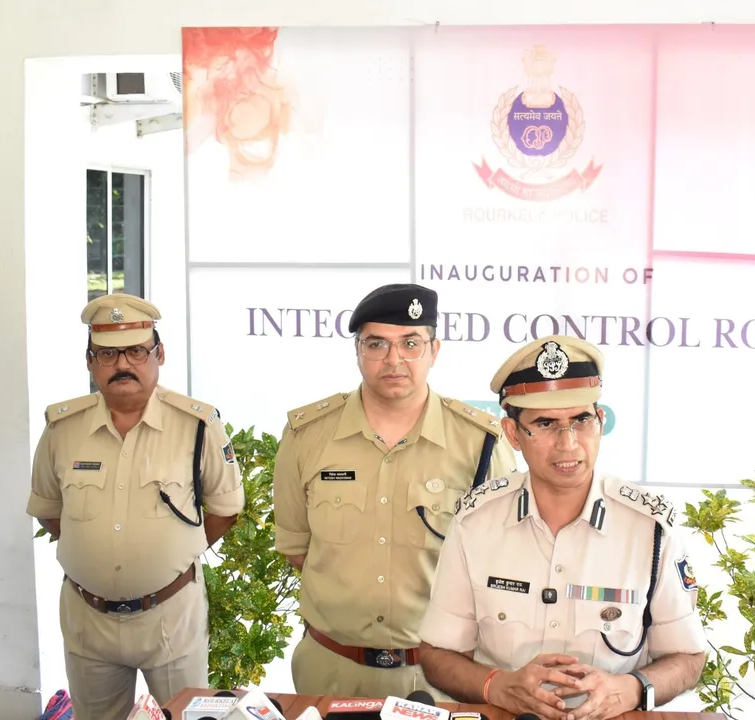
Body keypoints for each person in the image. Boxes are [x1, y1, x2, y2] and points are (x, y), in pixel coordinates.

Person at [417, 336, 707, 720]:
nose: (568, 443)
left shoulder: (650, 528)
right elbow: (437, 654)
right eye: (546, 424)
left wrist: (629, 689)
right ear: (513, 433)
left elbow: (688, 657)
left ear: (600, 422)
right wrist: (498, 685)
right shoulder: (475, 523)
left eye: (581, 421)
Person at [273, 282, 517, 699]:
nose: (393, 360)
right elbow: (298, 549)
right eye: (376, 344)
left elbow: (500, 565)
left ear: (434, 351)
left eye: (410, 343)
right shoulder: (306, 435)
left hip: (437, 677)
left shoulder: (482, 443)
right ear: (357, 350)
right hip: (330, 669)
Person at [26, 294, 244, 720]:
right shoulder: (62, 428)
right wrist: (98, 554)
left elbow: (225, 509)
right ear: (90, 361)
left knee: (184, 716)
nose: (121, 364)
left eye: (136, 351)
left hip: (171, 615)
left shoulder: (197, 425)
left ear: (158, 354)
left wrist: (169, 557)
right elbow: (51, 510)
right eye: (107, 354)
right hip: (88, 618)